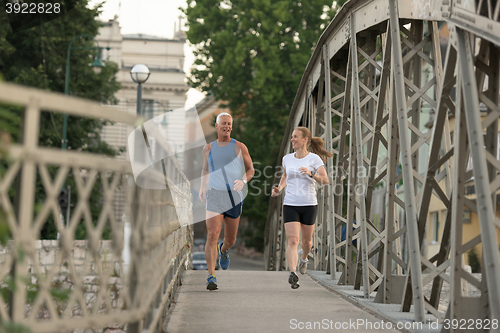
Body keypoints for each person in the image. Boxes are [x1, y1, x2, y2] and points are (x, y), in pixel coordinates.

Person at [199, 112, 254, 290]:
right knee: (212, 234)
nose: (227, 126)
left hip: (233, 196)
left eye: (229, 124)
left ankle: (224, 250)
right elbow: (205, 170)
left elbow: (251, 169)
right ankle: (211, 276)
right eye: (223, 123)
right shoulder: (208, 148)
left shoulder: (239, 146)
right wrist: (202, 187)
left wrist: (243, 180)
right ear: (216, 126)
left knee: (230, 239)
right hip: (214, 195)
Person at [271, 127, 331, 289]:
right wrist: (279, 188)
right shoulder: (287, 159)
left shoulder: (314, 159)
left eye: (295, 137)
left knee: (307, 242)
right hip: (290, 203)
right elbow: (285, 176)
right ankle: (293, 273)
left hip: (309, 204)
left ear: (305, 139)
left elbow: (325, 180)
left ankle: (304, 259)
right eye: (291, 137)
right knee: (293, 240)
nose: (292, 140)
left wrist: (312, 174)